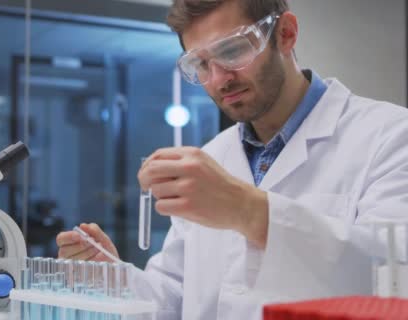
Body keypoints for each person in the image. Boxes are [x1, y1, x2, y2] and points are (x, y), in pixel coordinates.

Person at [56, 0, 408, 319]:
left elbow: (394, 277)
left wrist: (249, 211)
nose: (219, 79)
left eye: (233, 50)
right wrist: (114, 278)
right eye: (201, 64)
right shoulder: (213, 158)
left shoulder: (391, 136)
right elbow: (172, 299)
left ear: (285, 34)